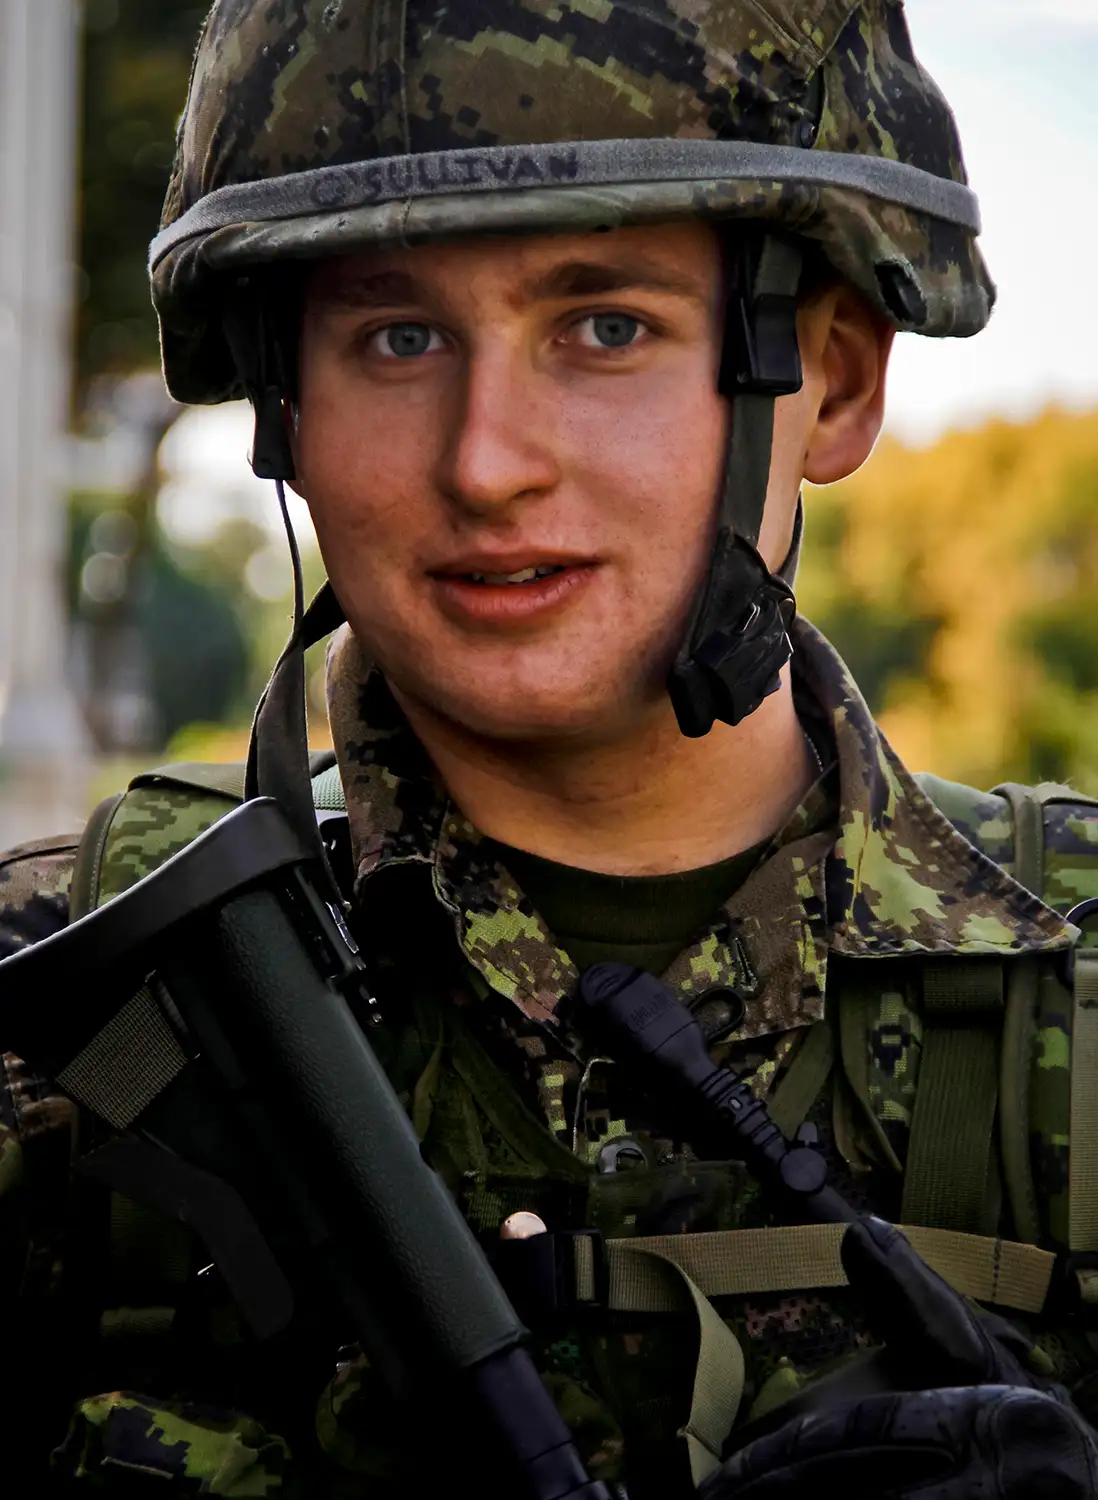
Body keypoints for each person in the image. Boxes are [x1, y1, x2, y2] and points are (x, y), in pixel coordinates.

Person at [2, 1, 1097, 1494]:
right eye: (397, 338)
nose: (486, 462)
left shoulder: (1074, 1007)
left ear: (831, 381)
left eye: (605, 329)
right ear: (284, 406)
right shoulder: (65, 1015)